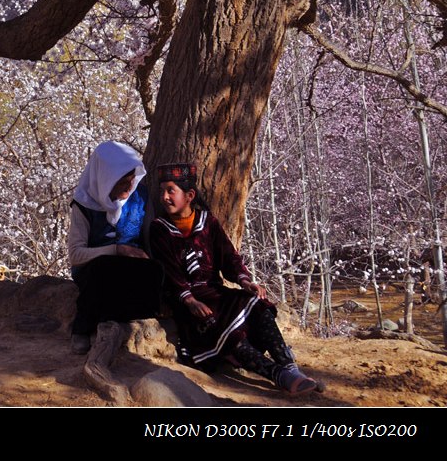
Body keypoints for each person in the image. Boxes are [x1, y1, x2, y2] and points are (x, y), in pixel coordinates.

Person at [149, 162, 319, 395]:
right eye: (162, 191)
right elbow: (170, 272)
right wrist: (190, 301)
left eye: (171, 191)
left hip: (216, 292)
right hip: (189, 301)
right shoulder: (159, 229)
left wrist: (245, 281)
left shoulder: (207, 222)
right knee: (229, 337)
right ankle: (279, 376)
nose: (164, 197)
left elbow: (229, 256)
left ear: (189, 196)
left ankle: (290, 367)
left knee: (258, 306)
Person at [68, 141, 164, 354]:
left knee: (155, 271)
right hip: (95, 268)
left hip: (130, 266)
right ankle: (82, 328)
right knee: (104, 268)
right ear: (105, 179)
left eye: (131, 181)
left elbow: (149, 237)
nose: (129, 188)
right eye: (122, 182)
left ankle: (111, 319)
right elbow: (76, 255)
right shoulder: (84, 204)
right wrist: (116, 250)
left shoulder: (140, 197)